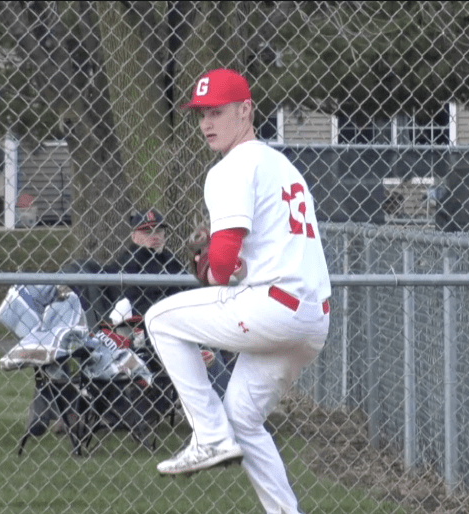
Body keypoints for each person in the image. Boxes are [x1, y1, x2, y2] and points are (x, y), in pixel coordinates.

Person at [145, 68, 331, 514]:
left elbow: (223, 264)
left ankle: (207, 436)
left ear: (246, 110)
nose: (207, 123)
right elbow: (259, 253)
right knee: (244, 419)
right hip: (312, 319)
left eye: (218, 112)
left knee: (159, 320)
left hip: (274, 307)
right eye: (201, 114)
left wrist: (210, 267)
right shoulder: (280, 164)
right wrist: (229, 267)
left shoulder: (231, 167)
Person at [105, 208, 232, 398]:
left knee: (222, 341)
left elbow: (191, 291)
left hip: (184, 319)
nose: (155, 236)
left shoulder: (168, 259)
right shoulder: (130, 261)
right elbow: (139, 301)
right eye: (148, 232)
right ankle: (227, 403)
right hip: (154, 328)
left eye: (158, 230)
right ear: (134, 237)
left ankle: (227, 401)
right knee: (210, 349)